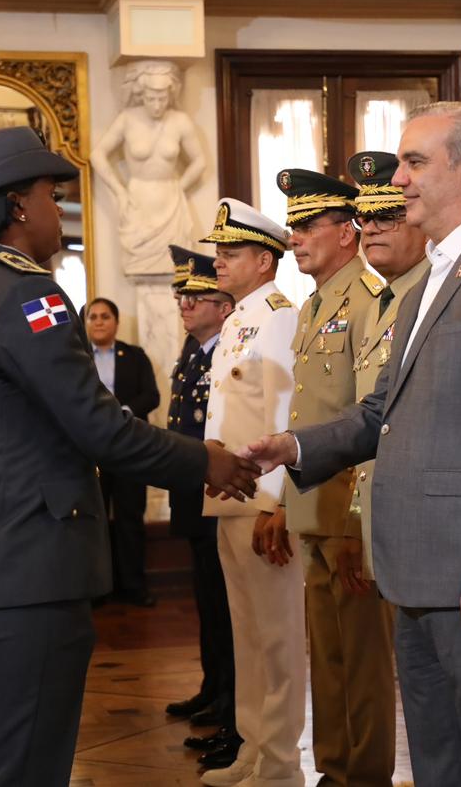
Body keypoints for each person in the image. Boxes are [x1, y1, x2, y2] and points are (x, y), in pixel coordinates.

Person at [243, 102, 461, 786]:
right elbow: (379, 413)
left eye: (415, 162)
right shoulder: (430, 278)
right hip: (419, 574)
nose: (397, 179)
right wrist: (295, 448)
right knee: (439, 763)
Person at [0, 126, 260, 786]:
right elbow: (97, 426)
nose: (59, 210)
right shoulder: (27, 294)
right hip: (27, 565)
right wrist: (207, 461)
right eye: (51, 194)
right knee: (24, 767)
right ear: (17, 204)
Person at [275, 164, 395, 787]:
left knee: (364, 659)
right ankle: (335, 771)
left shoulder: (372, 300)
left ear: (348, 232)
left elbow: (370, 421)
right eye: (293, 227)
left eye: (308, 224)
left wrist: (355, 526)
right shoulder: (315, 305)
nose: (295, 237)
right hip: (313, 508)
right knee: (328, 658)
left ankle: (367, 775)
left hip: (347, 513)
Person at [197, 198, 304, 787]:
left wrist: (275, 502)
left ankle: (282, 764)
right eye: (218, 252)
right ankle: (253, 751)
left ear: (265, 261)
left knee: (278, 634)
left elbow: (284, 413)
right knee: (247, 631)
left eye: (230, 253)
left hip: (260, 501)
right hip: (229, 498)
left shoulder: (280, 315)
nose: (218, 261)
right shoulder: (240, 317)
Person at [163, 246, 241, 768]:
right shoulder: (195, 351)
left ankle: (231, 704)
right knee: (207, 602)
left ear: (223, 305)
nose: (185, 305)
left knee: (226, 608)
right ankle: (214, 689)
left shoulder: (223, 351)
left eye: (197, 298)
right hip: (193, 488)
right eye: (183, 297)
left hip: (217, 486)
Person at [345, 150, 429, 585]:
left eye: (387, 216)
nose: (372, 228)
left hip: (420, 513)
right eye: (365, 219)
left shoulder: (435, 295)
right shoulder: (382, 301)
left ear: (419, 218)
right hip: (376, 503)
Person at [92, 60, 207, 274]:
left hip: (171, 200)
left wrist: (179, 187)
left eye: (162, 99)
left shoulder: (180, 121)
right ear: (140, 95)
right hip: (138, 200)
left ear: (170, 96)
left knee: (176, 266)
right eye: (150, 99)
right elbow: (97, 155)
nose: (156, 105)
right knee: (140, 267)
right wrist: (119, 191)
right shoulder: (127, 119)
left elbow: (199, 161)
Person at [87, 297, 161, 606]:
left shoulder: (135, 356)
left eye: (105, 316)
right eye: (93, 317)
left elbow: (151, 396)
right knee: (95, 520)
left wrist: (122, 412)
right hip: (91, 451)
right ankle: (98, 590)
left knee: (131, 517)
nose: (99, 321)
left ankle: (134, 588)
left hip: (130, 447)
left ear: (116, 323)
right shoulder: (76, 358)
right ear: (86, 324)